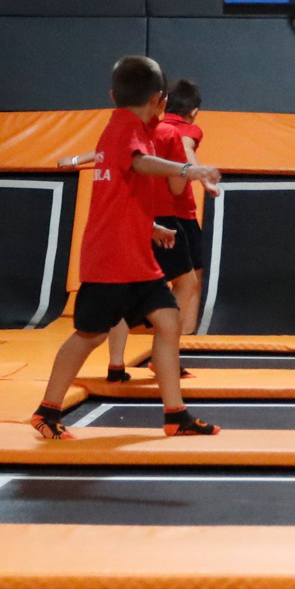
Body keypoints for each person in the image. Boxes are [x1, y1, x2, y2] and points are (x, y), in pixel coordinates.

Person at [30, 57, 223, 440]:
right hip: (112, 260)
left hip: (136, 257)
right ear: (159, 100)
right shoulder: (126, 128)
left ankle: (176, 415)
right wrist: (190, 170)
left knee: (168, 322)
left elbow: (117, 194)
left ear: (112, 94)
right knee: (89, 335)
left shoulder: (123, 128)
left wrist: (150, 227)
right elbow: (140, 164)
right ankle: (46, 411)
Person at [105, 78, 207, 382]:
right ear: (159, 102)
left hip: (130, 218)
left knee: (124, 291)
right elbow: (177, 182)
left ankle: (116, 365)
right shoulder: (171, 132)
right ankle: (165, 357)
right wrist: (194, 175)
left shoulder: (120, 132)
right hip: (164, 217)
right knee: (186, 283)